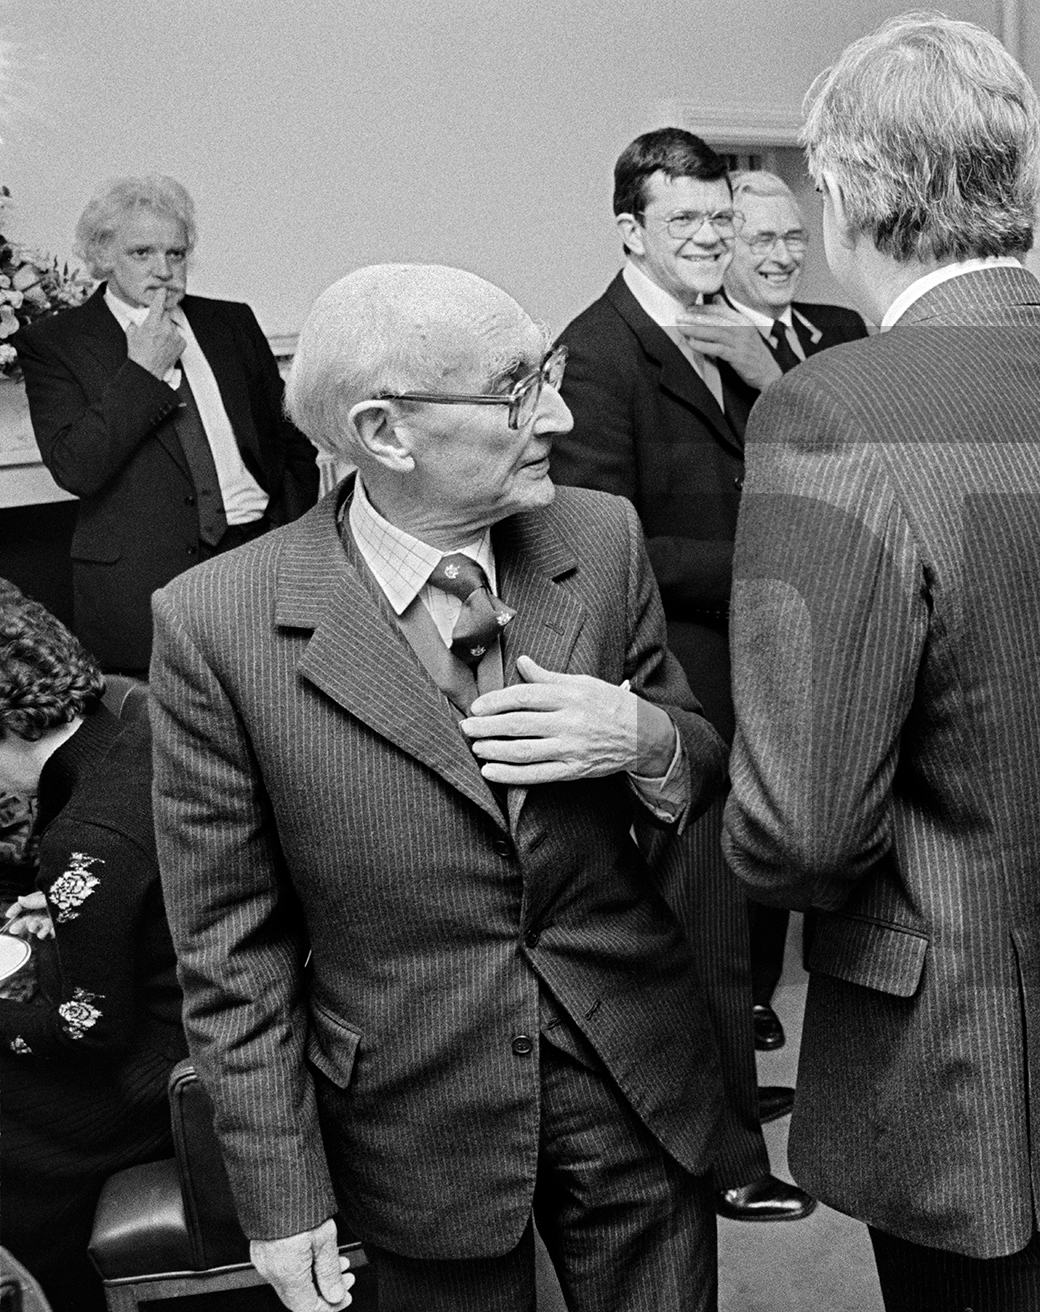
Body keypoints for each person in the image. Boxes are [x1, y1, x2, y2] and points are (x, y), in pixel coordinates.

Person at [723, 16, 1040, 1310]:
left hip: (966, 1049)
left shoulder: (833, 411)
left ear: (841, 195)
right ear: (1026, 187)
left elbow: (801, 831)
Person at [149, 264, 731, 1312]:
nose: (556, 412)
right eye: (519, 390)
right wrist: (282, 1199)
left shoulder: (600, 539)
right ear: (384, 432)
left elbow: (697, 753)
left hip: (634, 1074)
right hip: (414, 1112)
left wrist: (643, 739)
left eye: (547, 372)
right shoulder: (218, 624)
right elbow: (229, 943)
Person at [551, 128, 812, 1224]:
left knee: (743, 908)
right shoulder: (598, 353)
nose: (711, 239)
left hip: (754, 658)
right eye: (687, 223)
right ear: (630, 233)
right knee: (700, 924)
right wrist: (773, 558)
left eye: (722, 220)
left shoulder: (737, 334)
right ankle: (730, 1158)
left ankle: (736, 1092)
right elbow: (608, 544)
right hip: (674, 676)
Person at [16, 175, 317, 675]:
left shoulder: (231, 323)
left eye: (176, 254)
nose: (164, 271)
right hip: (144, 584)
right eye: (142, 253)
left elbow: (290, 442)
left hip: (258, 559)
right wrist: (143, 373)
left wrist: (288, 533)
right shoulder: (56, 342)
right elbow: (76, 468)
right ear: (103, 255)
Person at [719, 168, 867, 1053]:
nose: (780, 256)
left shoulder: (840, 330)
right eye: (758, 239)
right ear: (720, 247)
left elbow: (868, 432)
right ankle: (754, 990)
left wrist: (772, 371)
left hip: (851, 591)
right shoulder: (692, 339)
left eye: (791, 240)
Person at [0, 588, 177, 1312]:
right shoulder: (122, 724)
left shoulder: (89, 838)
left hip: (169, 1079)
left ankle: (61, 1288)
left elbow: (88, 1031)